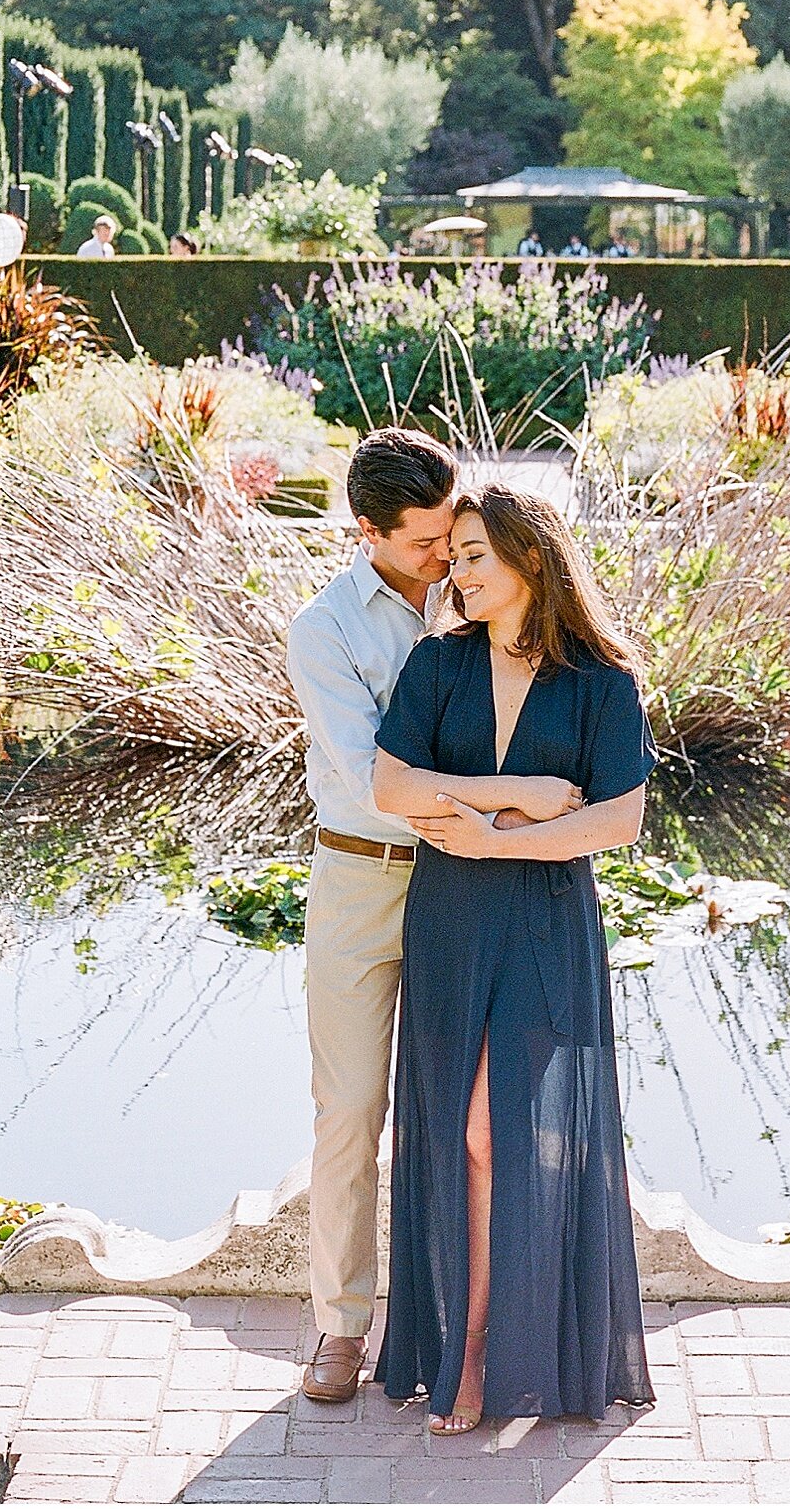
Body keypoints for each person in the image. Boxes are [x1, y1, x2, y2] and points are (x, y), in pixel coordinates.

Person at [371, 483, 655, 1432]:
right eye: (453, 556)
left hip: (541, 918)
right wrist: (523, 791)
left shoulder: (603, 681)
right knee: (455, 1133)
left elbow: (616, 817)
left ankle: (488, 1346)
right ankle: (472, 1339)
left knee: (497, 1133)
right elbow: (389, 784)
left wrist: (491, 835)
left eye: (476, 553)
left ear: (532, 557)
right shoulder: (437, 663)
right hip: (448, 921)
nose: (459, 569)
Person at [283, 428, 459, 1405]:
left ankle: (452, 1324)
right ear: (369, 531)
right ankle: (340, 1328)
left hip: (461, 882)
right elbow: (369, 777)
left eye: (449, 532)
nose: (444, 554)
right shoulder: (324, 629)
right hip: (357, 880)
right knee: (349, 1110)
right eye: (426, 541)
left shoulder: (474, 586)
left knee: (459, 1110)